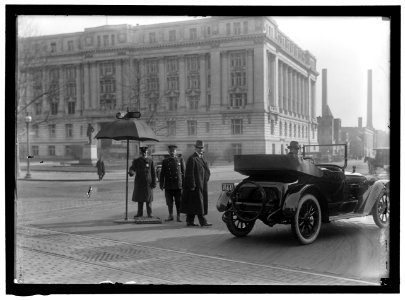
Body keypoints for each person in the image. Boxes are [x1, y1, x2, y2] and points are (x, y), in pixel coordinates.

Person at [180, 140, 212, 227]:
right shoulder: (192, 158)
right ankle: (203, 221)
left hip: (201, 184)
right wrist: (192, 185)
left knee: (193, 203)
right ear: (195, 148)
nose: (201, 149)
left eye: (202, 148)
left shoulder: (200, 158)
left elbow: (206, 171)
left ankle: (189, 221)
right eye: (199, 148)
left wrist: (206, 178)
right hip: (195, 186)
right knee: (199, 203)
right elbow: (189, 173)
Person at [128, 146, 156, 218]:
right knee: (140, 200)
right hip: (139, 183)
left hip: (148, 184)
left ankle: (149, 214)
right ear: (141, 153)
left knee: (148, 199)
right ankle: (139, 213)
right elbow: (132, 168)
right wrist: (131, 172)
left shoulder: (150, 161)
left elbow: (153, 173)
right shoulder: (137, 161)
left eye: (145, 153)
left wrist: (154, 183)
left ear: (147, 153)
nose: (144, 154)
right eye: (143, 153)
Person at [160, 145, 185, 222]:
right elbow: (162, 174)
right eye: (171, 151)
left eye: (173, 151)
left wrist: (184, 184)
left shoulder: (180, 160)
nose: (172, 153)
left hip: (178, 185)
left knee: (179, 201)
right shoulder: (165, 161)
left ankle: (178, 216)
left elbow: (184, 173)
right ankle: (170, 215)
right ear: (168, 152)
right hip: (168, 185)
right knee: (169, 202)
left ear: (176, 152)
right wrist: (161, 184)